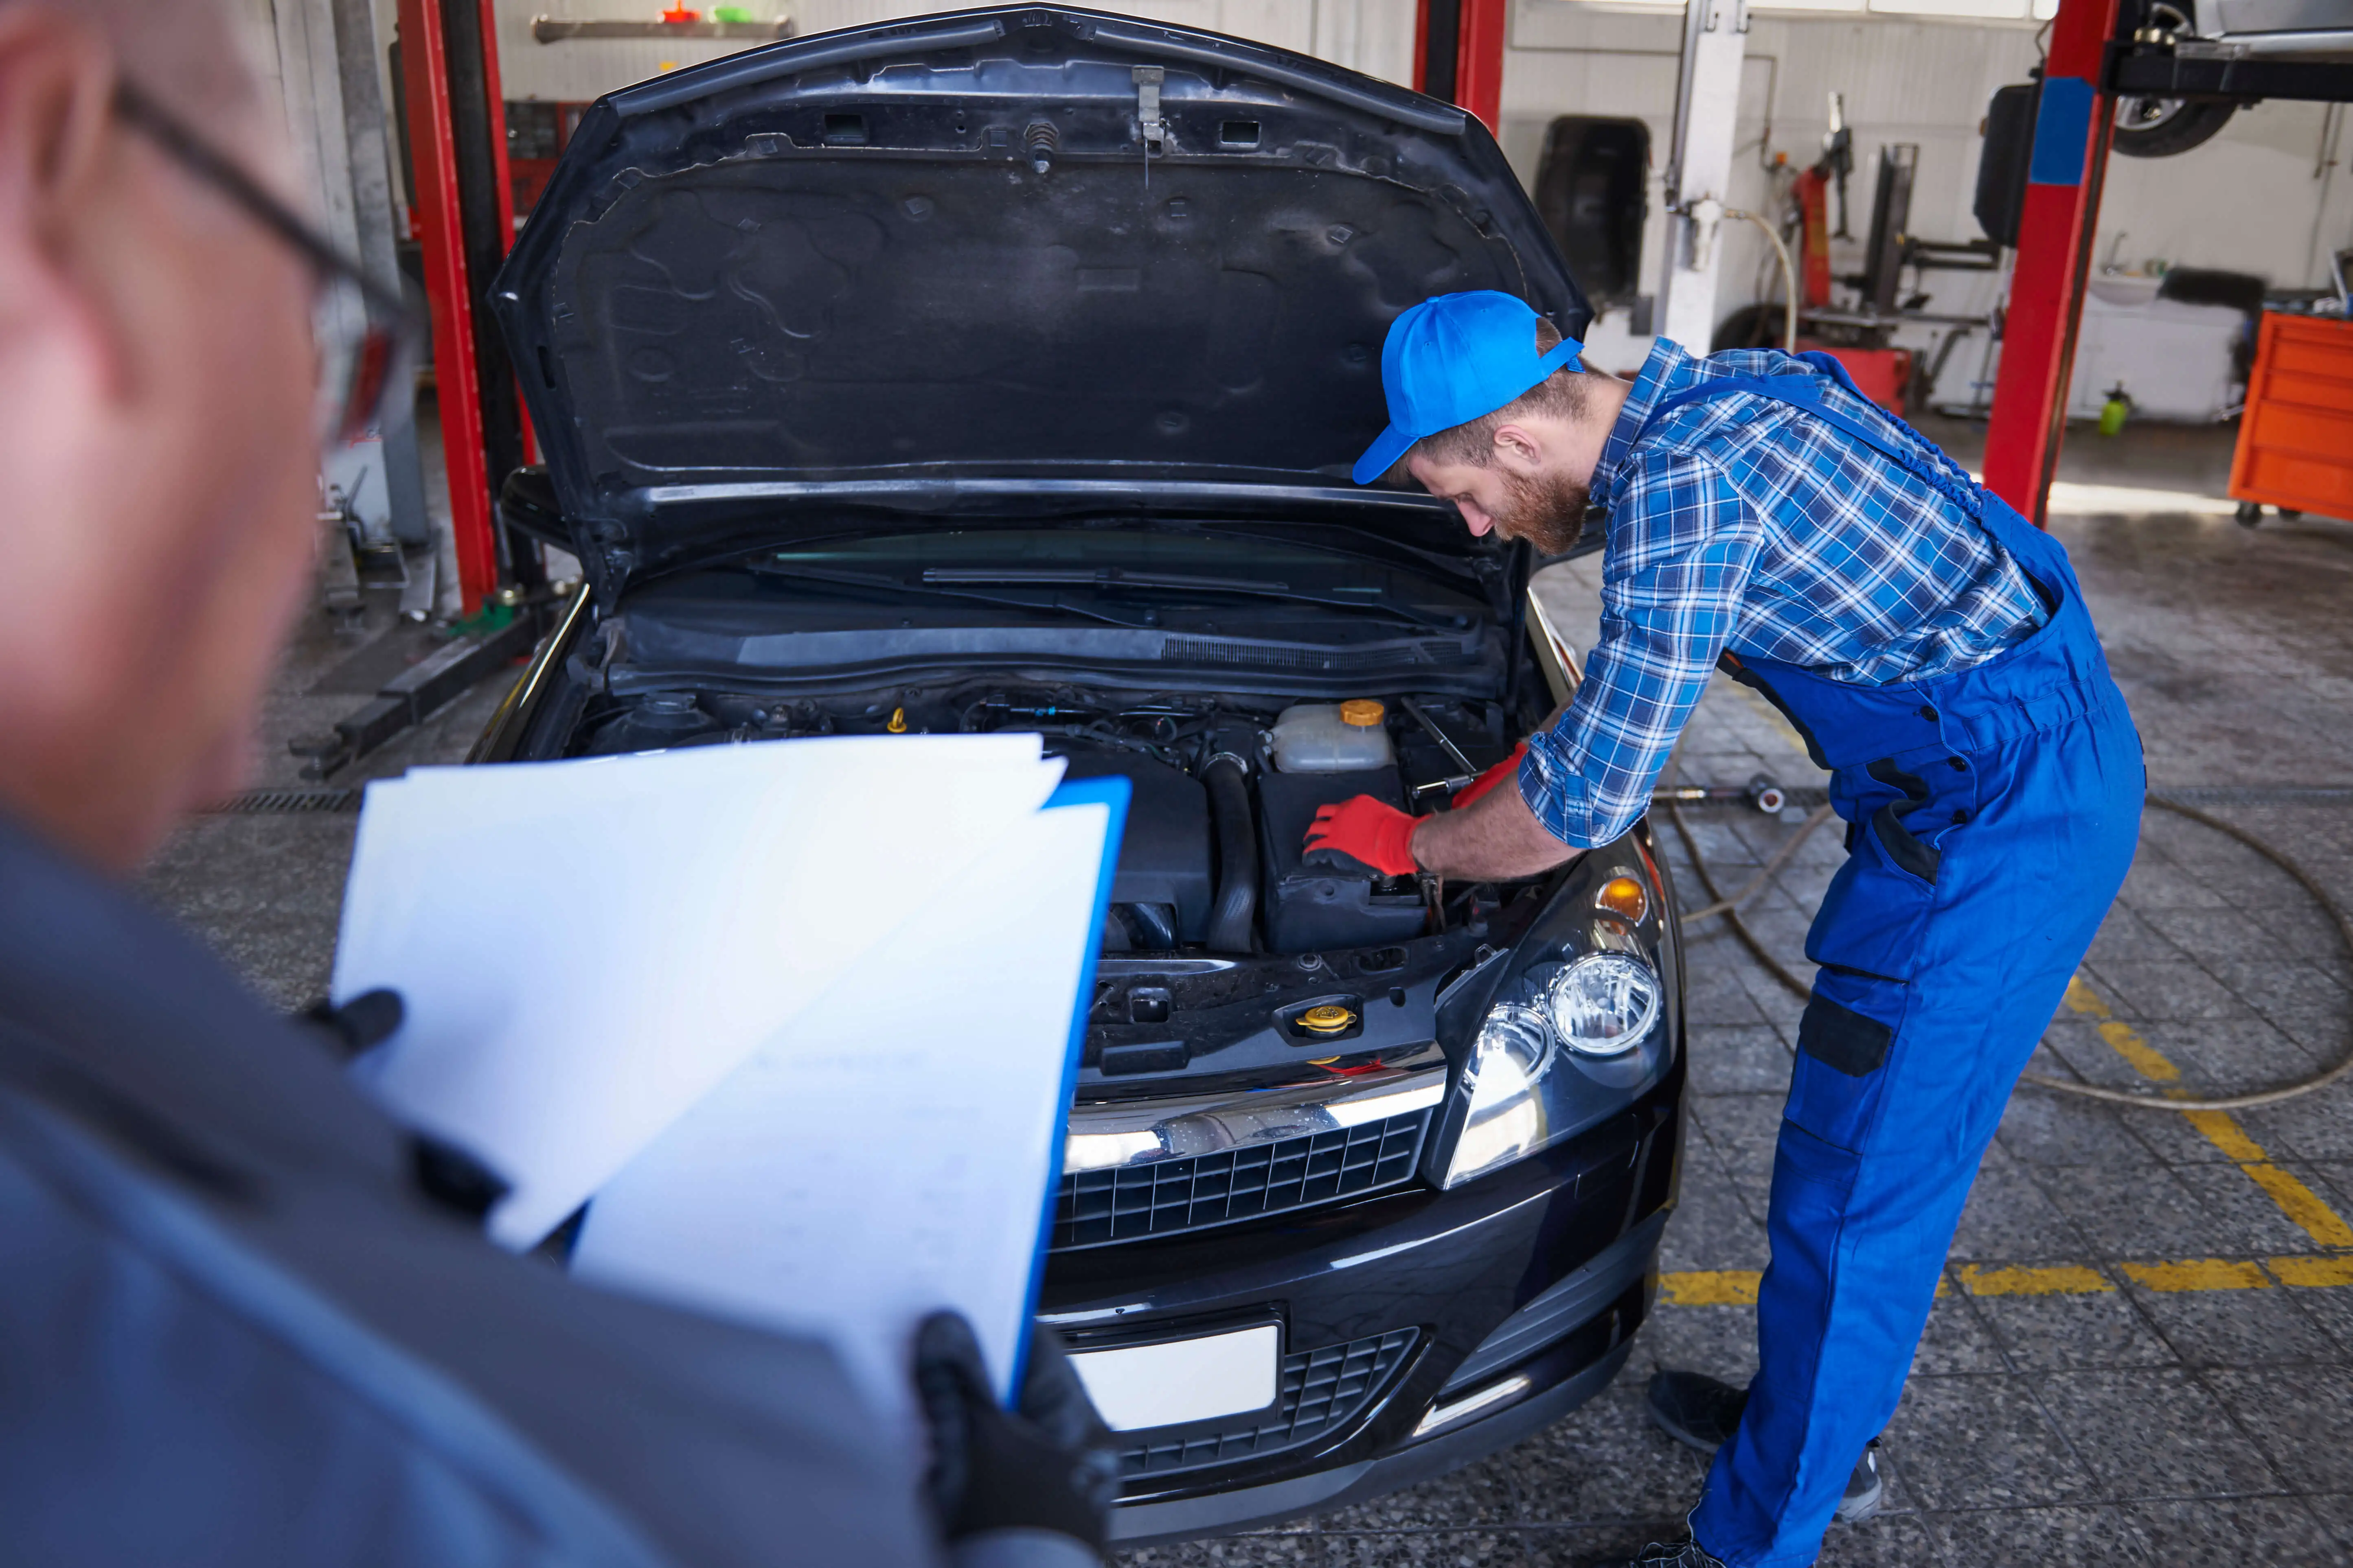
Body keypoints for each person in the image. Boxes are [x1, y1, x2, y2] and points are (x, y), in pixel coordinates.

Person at [0, 4, 1111, 1564]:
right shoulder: (509, 1467)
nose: (239, 757)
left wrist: (268, 1154)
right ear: (52, 210)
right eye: (333, 344)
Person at [1303, 290, 2142, 1568]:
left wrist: (1415, 844)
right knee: (1852, 1183)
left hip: (2002, 820)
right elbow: (1607, 723)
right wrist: (1492, 781)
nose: (1472, 525)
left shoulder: (1683, 504)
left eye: (1461, 491)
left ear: (1519, 442)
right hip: (1982, 760)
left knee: (1855, 1193)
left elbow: (1583, 805)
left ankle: (1760, 1538)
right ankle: (1814, 1430)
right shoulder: (1715, 394)